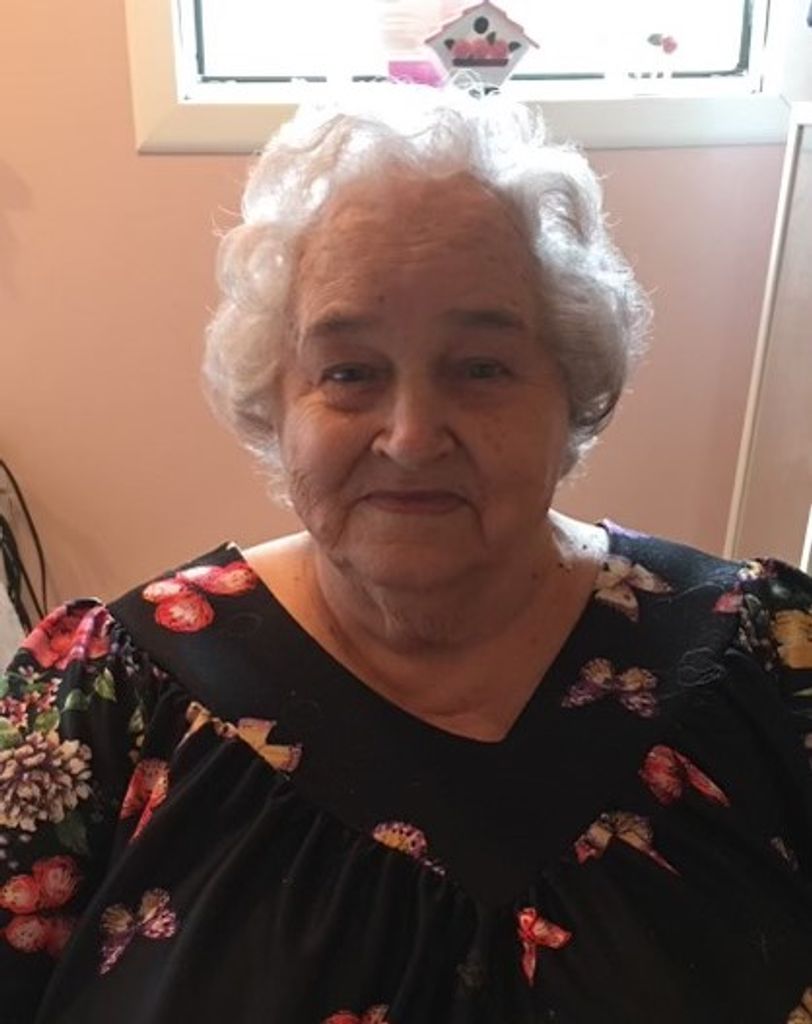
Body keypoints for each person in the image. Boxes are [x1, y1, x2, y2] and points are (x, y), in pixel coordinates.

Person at [2, 83, 812, 1024]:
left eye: (482, 367)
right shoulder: (108, 698)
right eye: (349, 371)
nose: (413, 436)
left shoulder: (771, 662)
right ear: (274, 402)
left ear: (574, 389)